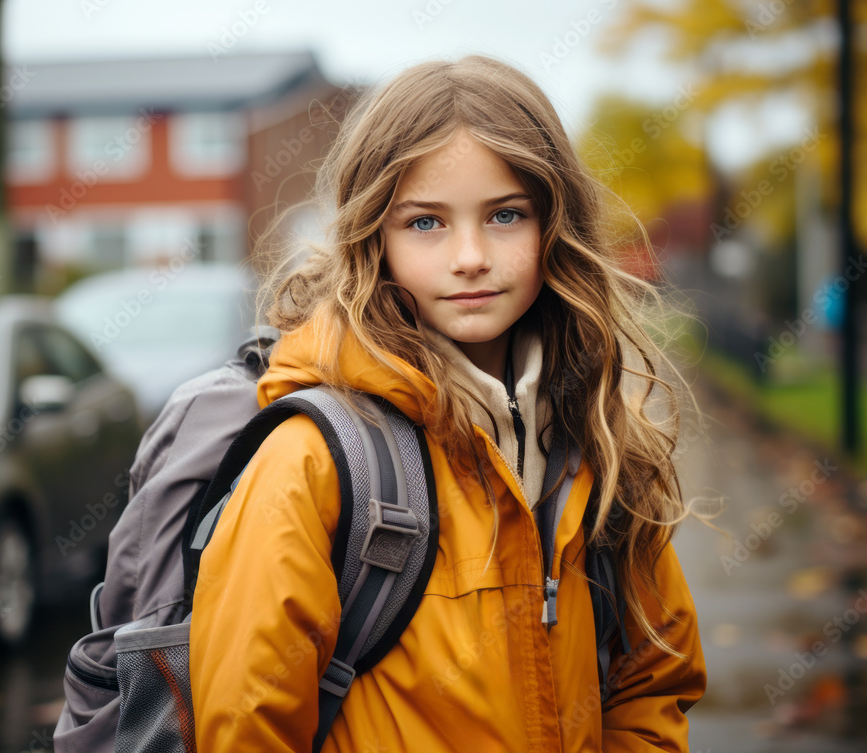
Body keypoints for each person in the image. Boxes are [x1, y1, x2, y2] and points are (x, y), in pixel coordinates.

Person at [188, 54, 707, 752]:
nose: (469, 256)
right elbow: (247, 730)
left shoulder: (597, 443)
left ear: (555, 224)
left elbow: (653, 682)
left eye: (505, 215)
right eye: (426, 223)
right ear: (375, 236)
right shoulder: (312, 464)